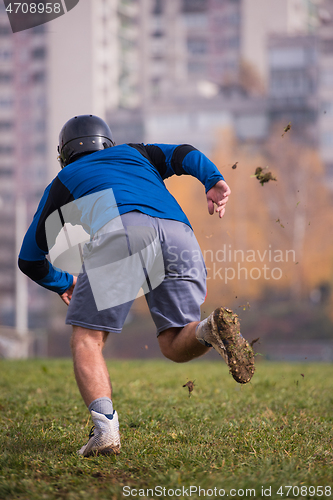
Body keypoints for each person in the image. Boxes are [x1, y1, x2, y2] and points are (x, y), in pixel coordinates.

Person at [18, 114, 255, 457]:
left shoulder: (65, 179)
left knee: (88, 339)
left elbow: (30, 258)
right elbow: (184, 154)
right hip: (181, 234)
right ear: (108, 142)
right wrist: (213, 179)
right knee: (175, 342)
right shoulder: (136, 153)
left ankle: (105, 432)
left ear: (64, 153)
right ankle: (209, 329)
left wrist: (62, 282)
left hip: (121, 230)